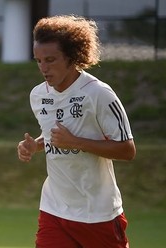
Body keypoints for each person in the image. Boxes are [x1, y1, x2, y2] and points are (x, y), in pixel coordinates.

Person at [17, 15, 136, 248]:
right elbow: (55, 136)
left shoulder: (99, 94)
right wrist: (37, 145)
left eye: (50, 60)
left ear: (72, 57)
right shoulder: (38, 95)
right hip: (54, 210)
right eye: (38, 61)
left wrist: (76, 142)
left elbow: (127, 150)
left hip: (98, 214)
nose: (43, 68)